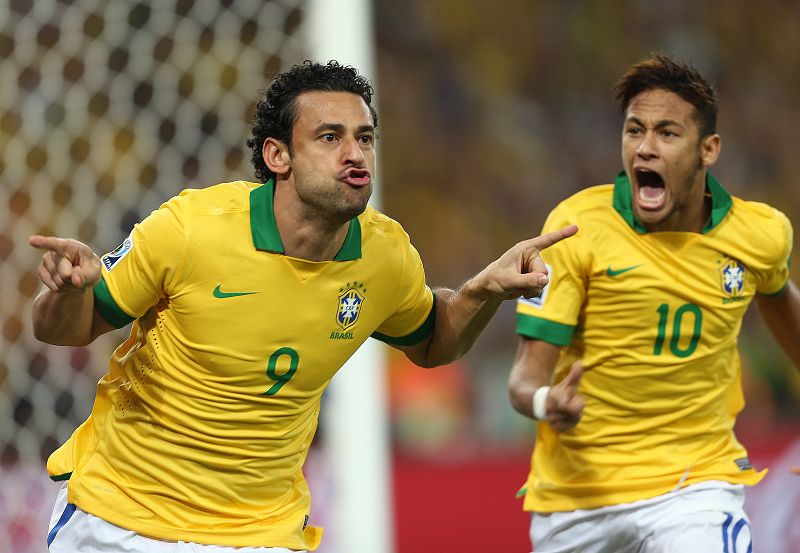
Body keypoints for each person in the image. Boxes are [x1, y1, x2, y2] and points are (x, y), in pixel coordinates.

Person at [30, 60, 576, 553]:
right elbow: (65, 329)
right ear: (278, 156)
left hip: (259, 533)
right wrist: (67, 292)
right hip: (122, 519)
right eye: (330, 137)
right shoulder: (190, 229)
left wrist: (482, 291)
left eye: (365, 138)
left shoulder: (385, 256)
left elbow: (434, 341)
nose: (355, 153)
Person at [508, 53, 800, 553]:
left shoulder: (760, 234)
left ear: (708, 149)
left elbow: (782, 307)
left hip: (696, 487)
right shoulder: (575, 228)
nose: (645, 147)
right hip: (579, 500)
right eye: (634, 130)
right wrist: (545, 401)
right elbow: (523, 380)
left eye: (667, 133)